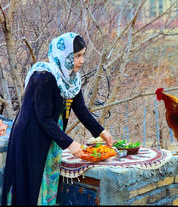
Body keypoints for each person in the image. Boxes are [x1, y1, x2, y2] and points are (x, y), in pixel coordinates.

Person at [1, 32, 113, 205]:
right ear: (65, 55)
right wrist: (70, 143)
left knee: (48, 181)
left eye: (83, 55)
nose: (81, 60)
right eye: (77, 56)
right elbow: (43, 118)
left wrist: (101, 131)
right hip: (30, 137)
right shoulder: (44, 76)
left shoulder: (71, 79)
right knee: (31, 186)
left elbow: (81, 110)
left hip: (52, 136)